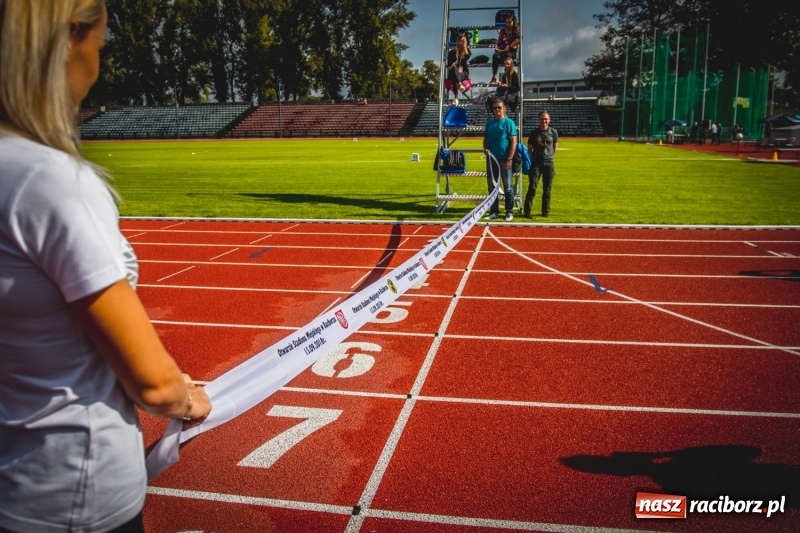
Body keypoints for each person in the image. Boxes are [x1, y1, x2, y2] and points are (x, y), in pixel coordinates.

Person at [0, 2, 212, 532]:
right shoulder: (48, 182)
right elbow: (154, 386)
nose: (100, 60)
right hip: (72, 490)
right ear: (72, 37)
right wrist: (189, 398)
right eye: (102, 44)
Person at [483, 100, 517, 221]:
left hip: (505, 159)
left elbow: (513, 141)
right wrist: (485, 149)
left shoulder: (509, 122)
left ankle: (509, 211)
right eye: (495, 108)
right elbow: (485, 139)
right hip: (492, 159)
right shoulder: (490, 123)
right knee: (492, 187)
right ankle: (494, 211)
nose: (497, 110)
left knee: (508, 186)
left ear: (504, 109)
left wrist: (510, 158)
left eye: (499, 108)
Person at [524, 111, 559, 218]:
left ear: (549, 120)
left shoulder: (553, 132)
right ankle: (527, 211)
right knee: (532, 187)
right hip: (536, 164)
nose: (544, 121)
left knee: (547, 189)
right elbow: (529, 149)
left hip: (549, 163)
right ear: (539, 120)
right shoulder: (534, 133)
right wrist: (535, 157)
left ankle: (545, 211)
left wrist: (548, 156)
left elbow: (555, 147)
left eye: (546, 119)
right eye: (542, 119)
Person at [491, 13, 520, 84]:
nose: (508, 24)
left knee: (508, 58)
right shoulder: (503, 31)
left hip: (511, 51)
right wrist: (499, 49)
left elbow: (519, 39)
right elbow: (499, 42)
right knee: (495, 56)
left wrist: (510, 47)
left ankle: (508, 77)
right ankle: (494, 76)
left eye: (509, 22)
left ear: (513, 21)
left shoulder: (516, 29)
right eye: (506, 22)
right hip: (503, 50)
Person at [445, 33, 472, 105]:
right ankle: (459, 85)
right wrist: (451, 67)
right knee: (454, 70)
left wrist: (465, 47)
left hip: (463, 72)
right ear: (457, 42)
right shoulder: (452, 52)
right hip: (454, 72)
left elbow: (467, 57)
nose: (463, 42)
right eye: (461, 41)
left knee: (456, 76)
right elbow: (449, 64)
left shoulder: (467, 51)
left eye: (464, 41)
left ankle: (456, 97)